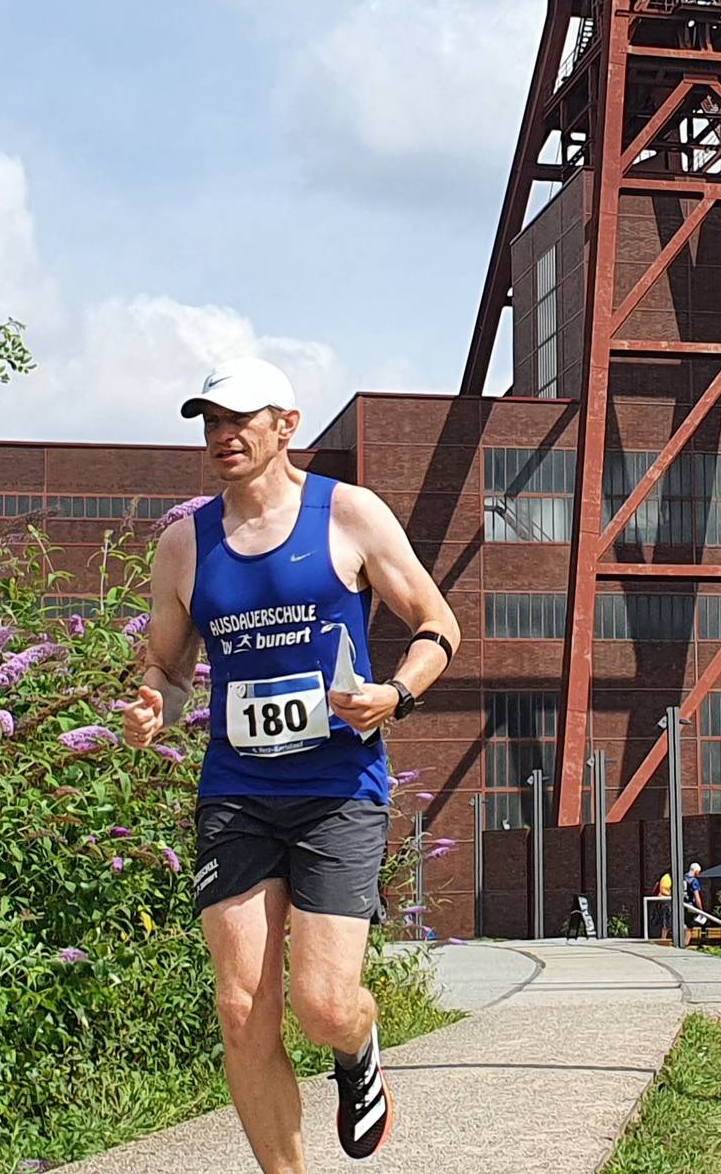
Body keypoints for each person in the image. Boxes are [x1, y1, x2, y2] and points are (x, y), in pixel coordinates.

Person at [122, 356, 462, 1172]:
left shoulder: (348, 515)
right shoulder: (185, 544)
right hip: (236, 791)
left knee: (321, 1005)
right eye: (209, 420)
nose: (222, 435)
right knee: (241, 1010)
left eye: (240, 418)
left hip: (337, 791)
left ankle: (358, 1043)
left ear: (286, 425)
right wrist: (151, 709)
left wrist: (397, 694)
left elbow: (437, 624)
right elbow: (167, 672)